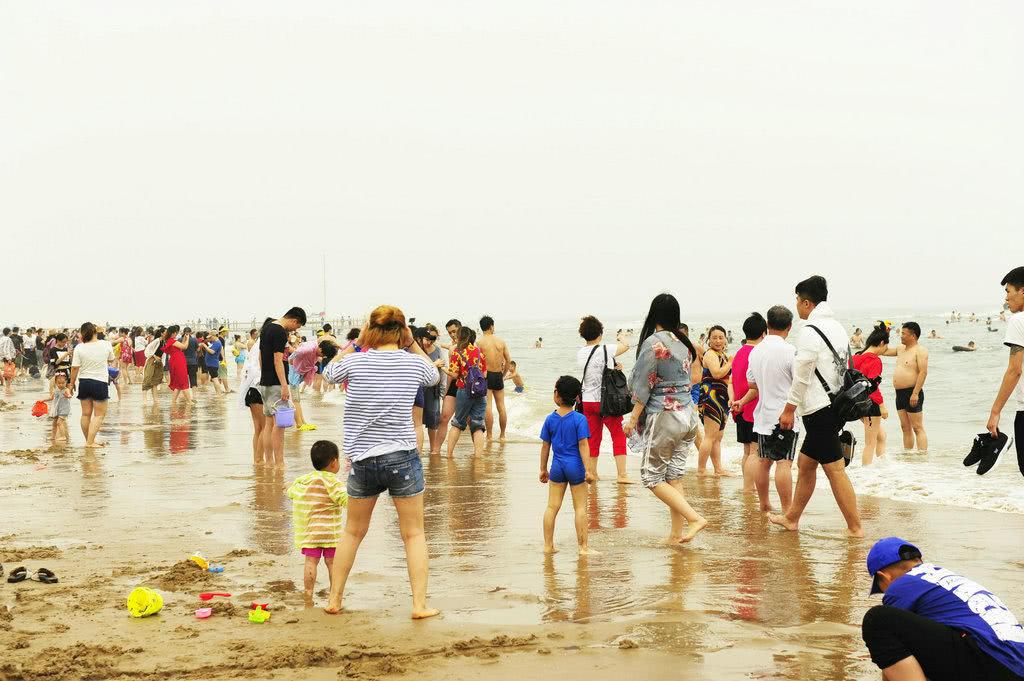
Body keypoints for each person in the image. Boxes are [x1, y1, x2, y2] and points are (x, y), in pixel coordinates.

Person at [321, 305, 441, 619]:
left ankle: (335, 599)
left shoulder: (357, 360)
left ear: (371, 330)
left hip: (362, 459)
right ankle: (419, 605)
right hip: (402, 457)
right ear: (403, 330)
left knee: (352, 532)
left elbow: (329, 373)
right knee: (413, 534)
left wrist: (357, 342)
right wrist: (411, 341)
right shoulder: (413, 363)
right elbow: (434, 375)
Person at [768, 275, 864, 537]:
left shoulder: (809, 331)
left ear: (807, 302)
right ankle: (792, 518)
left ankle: (855, 528)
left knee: (835, 470)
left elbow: (802, 375)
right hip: (834, 406)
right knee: (806, 463)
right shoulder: (837, 327)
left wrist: (788, 409)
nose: (797, 305)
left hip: (818, 409)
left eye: (798, 300)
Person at [861, 536, 1024, 681]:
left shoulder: (901, 584)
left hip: (990, 661)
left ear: (884, 576)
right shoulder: (947, 578)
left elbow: (891, 654)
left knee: (878, 620)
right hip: (1011, 662)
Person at [623, 293, 707, 544]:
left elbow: (642, 385)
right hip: (688, 416)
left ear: (654, 314)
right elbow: (691, 379)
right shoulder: (684, 342)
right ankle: (675, 535)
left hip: (665, 416)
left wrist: (632, 419)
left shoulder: (654, 343)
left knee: (651, 477)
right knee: (673, 477)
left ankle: (694, 519)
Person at [733, 305, 797, 514]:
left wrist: (742, 402)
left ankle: (764, 503)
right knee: (784, 463)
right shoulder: (791, 351)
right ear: (789, 326)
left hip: (762, 416)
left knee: (763, 461)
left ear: (768, 325)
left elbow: (754, 386)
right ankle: (787, 509)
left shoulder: (756, 351)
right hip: (786, 415)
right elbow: (799, 384)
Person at [540, 375, 597, 555]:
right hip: (576, 467)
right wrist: (588, 470)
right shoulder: (579, 419)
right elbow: (583, 445)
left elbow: (545, 446)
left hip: (557, 466)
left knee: (552, 507)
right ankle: (583, 548)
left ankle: (548, 546)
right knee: (580, 507)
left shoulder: (550, 419)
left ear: (557, 395)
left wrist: (543, 469)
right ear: (576, 397)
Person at [287, 440, 348, 605]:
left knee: (310, 562)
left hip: (311, 533)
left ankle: (308, 593)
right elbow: (346, 500)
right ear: (334, 462)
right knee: (332, 563)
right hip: (330, 534)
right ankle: (334, 594)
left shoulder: (304, 480)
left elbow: (291, 492)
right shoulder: (334, 482)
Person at [576, 315, 633, 483]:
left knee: (593, 437)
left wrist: (614, 366)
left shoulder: (580, 353)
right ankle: (622, 475)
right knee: (618, 434)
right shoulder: (605, 349)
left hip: (587, 401)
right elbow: (626, 346)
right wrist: (621, 337)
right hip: (606, 400)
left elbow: (594, 371)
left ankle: (592, 472)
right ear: (600, 333)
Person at [985, 266, 1024, 478]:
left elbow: (1014, 370)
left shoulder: (1019, 321)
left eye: (1009, 292)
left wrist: (995, 411)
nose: (1006, 299)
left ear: (1023, 291)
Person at [259, 307, 307, 467]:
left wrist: (264, 375)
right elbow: (277, 361)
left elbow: (260, 356)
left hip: (265, 381)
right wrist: (284, 385)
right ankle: (279, 463)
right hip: (276, 383)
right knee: (279, 425)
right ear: (294, 320)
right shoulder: (279, 331)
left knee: (268, 424)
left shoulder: (266, 328)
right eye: (297, 326)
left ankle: (269, 462)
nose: (295, 330)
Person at [730, 312, 766, 493]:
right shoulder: (758, 354)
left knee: (746, 452)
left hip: (739, 409)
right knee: (754, 452)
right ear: (764, 333)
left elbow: (731, 381)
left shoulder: (738, 353)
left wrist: (734, 399)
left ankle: (747, 486)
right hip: (753, 409)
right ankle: (748, 489)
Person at [884, 322, 929, 451]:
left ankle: (922, 456)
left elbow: (923, 372)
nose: (901, 336)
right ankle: (908, 457)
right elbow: (884, 351)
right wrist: (886, 333)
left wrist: (915, 393)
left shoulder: (920, 350)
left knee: (917, 427)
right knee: (905, 427)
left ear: (913, 335)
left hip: (913, 392)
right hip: (899, 394)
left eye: (904, 334)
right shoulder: (900, 349)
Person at [69, 322, 114, 448]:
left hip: (84, 382)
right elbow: (111, 359)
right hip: (99, 381)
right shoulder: (105, 344)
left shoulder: (79, 347)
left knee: (85, 414)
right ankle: (90, 442)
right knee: (99, 415)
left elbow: (74, 368)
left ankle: (89, 440)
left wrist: (71, 385)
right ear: (95, 331)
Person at [696, 325, 734, 477]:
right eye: (714, 338)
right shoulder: (710, 355)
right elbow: (717, 374)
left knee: (717, 437)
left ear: (725, 339)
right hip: (710, 398)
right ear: (709, 340)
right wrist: (731, 362)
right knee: (710, 436)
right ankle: (701, 470)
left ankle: (718, 468)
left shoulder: (723, 355)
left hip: (722, 399)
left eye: (721, 337)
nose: (718, 341)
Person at [445, 326, 487, 457]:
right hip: (480, 391)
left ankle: (449, 454)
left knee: (458, 422)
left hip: (464, 390)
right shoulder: (479, 352)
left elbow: (454, 374)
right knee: (478, 424)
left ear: (460, 337)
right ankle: (478, 457)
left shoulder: (457, 352)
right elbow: (484, 374)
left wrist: (443, 369)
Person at [853, 324, 891, 466]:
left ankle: (881, 468)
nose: (885, 350)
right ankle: (867, 474)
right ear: (881, 343)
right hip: (871, 405)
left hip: (857, 404)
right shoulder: (874, 360)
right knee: (870, 443)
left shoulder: (855, 357)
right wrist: (882, 406)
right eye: (885, 347)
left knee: (881, 436)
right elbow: (873, 386)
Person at [288, 339, 339, 432]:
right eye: (322, 354)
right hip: (294, 372)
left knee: (297, 399)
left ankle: (303, 422)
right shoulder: (308, 349)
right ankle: (299, 424)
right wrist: (290, 362)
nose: (322, 356)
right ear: (320, 348)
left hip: (299, 372)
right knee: (295, 399)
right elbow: (294, 354)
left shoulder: (317, 348)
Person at [476, 315, 512, 441]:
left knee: (488, 406)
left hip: (486, 375)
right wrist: (503, 374)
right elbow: (508, 361)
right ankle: (502, 435)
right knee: (501, 406)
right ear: (491, 326)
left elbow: (477, 362)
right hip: (497, 374)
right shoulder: (501, 341)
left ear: (482, 328)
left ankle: (490, 436)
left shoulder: (479, 342)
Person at [435, 319, 462, 446]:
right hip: (455, 385)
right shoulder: (453, 347)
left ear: (460, 329)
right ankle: (436, 450)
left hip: (466, 386)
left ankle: (478, 456)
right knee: (444, 418)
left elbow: (452, 371)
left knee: (471, 422)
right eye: (450, 332)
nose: (452, 335)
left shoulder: (468, 346)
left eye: (454, 331)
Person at [161, 325, 193, 409]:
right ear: (173, 333)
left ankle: (173, 401)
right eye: (176, 332)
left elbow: (181, 345)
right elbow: (184, 347)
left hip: (176, 360)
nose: (177, 334)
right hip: (178, 361)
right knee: (183, 381)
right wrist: (188, 338)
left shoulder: (170, 341)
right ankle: (189, 401)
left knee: (178, 384)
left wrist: (185, 339)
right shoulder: (172, 341)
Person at [141, 328, 164, 406]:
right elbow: (147, 350)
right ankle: (144, 400)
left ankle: (155, 400)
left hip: (159, 362)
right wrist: (154, 356)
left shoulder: (164, 341)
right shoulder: (157, 341)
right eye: (166, 332)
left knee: (155, 381)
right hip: (151, 361)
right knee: (147, 379)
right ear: (161, 333)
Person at [49, 371, 72, 443]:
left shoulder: (66, 390)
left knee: (59, 422)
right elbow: (51, 398)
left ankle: (63, 436)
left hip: (64, 409)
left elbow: (69, 395)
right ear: (55, 383)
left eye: (63, 383)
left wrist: (68, 396)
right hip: (57, 409)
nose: (61, 384)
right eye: (59, 383)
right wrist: (42, 400)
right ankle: (53, 436)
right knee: (54, 423)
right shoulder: (55, 390)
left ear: (66, 382)